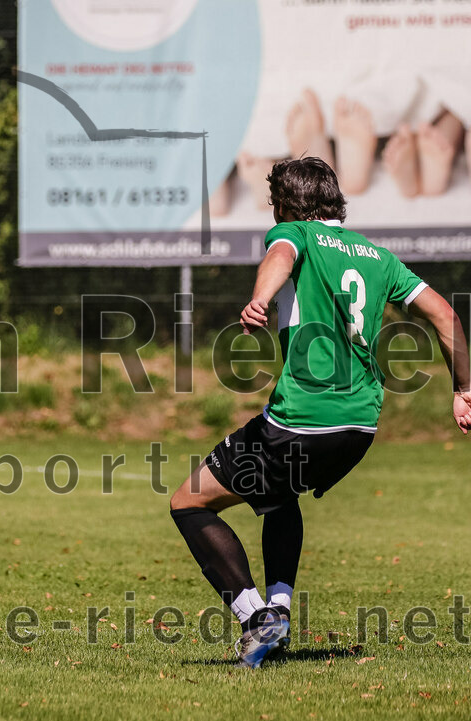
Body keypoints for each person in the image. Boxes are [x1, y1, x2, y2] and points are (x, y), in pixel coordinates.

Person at [169, 157, 471, 668]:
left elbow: (280, 256)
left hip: (302, 419)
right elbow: (445, 314)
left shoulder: (294, 233)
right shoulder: (377, 256)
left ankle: (254, 618)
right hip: (360, 425)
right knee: (277, 497)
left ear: (285, 204)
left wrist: (259, 300)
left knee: (188, 502)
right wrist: (464, 387)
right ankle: (280, 611)